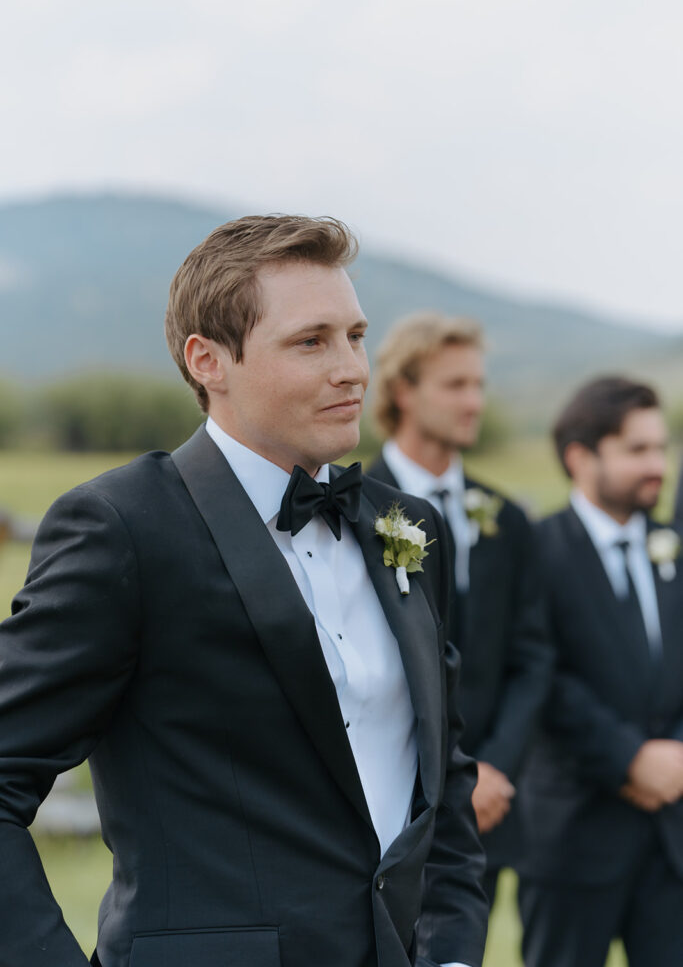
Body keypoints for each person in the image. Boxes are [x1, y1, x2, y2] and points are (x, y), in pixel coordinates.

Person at [0, 216, 488, 967]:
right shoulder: (123, 528)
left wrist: (451, 947)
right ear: (207, 361)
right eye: (310, 341)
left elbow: (442, 768)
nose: (353, 369)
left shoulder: (405, 523)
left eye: (355, 336)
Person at [366, 312, 551, 906]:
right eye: (454, 385)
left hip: (490, 803)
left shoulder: (507, 517)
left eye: (478, 385)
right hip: (393, 807)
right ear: (403, 391)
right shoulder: (356, 512)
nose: (474, 401)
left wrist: (492, 770)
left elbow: (532, 655)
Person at [517, 376, 683, 967]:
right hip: (572, 836)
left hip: (672, 838)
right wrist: (630, 758)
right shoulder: (535, 550)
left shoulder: (673, 545)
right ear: (580, 457)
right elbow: (540, 675)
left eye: (661, 448)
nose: (657, 465)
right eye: (637, 450)